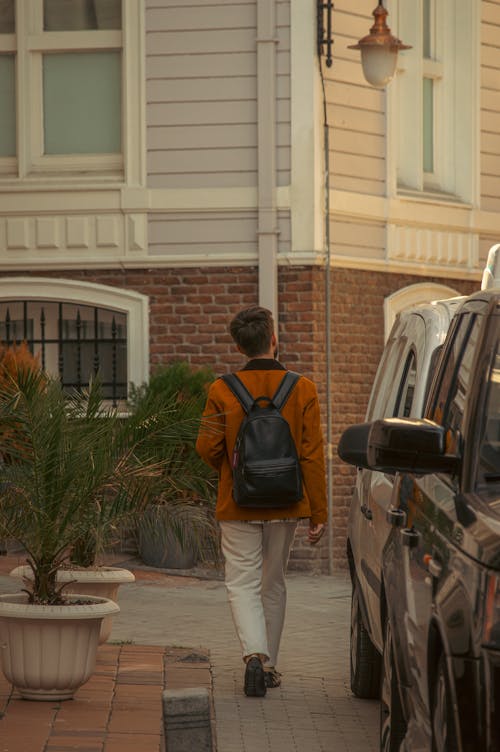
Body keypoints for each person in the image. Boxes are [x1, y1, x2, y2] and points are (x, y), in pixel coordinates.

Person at [195, 305, 328, 697]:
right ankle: (268, 666)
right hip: (286, 503)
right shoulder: (302, 388)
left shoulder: (221, 389)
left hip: (238, 503)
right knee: (273, 583)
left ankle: (253, 654)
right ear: (274, 339)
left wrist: (231, 468)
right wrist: (317, 511)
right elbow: (312, 455)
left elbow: (206, 447)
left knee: (241, 581)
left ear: (239, 345)